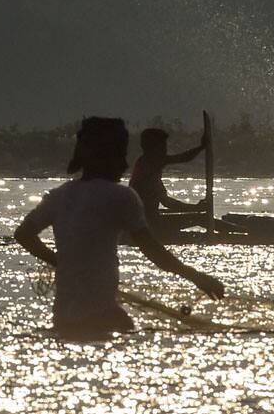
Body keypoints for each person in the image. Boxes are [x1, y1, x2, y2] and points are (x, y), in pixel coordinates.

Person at [13, 117, 224, 341]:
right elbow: (152, 250)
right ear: (109, 156)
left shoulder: (58, 195)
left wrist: (58, 260)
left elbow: (23, 234)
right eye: (121, 154)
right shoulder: (120, 196)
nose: (124, 163)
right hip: (103, 317)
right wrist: (197, 277)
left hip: (63, 319)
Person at [129, 128, 208, 226]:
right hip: (148, 224)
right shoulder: (147, 168)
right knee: (202, 218)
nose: (165, 150)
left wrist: (201, 147)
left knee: (201, 217)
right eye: (162, 147)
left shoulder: (147, 164)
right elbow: (168, 203)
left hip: (148, 219)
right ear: (151, 148)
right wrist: (196, 208)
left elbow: (182, 158)